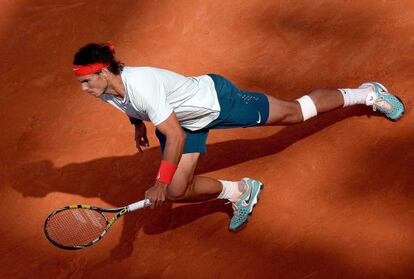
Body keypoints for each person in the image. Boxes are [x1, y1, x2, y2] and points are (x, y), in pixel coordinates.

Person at [72, 42, 405, 232]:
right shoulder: (107, 89)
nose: (85, 89)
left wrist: (158, 181)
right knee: (178, 189)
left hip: (217, 102)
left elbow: (172, 136)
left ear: (103, 72)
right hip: (185, 121)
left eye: (87, 81)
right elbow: (135, 109)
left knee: (293, 114)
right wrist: (139, 126)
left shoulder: (141, 86)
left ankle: (365, 94)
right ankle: (241, 192)